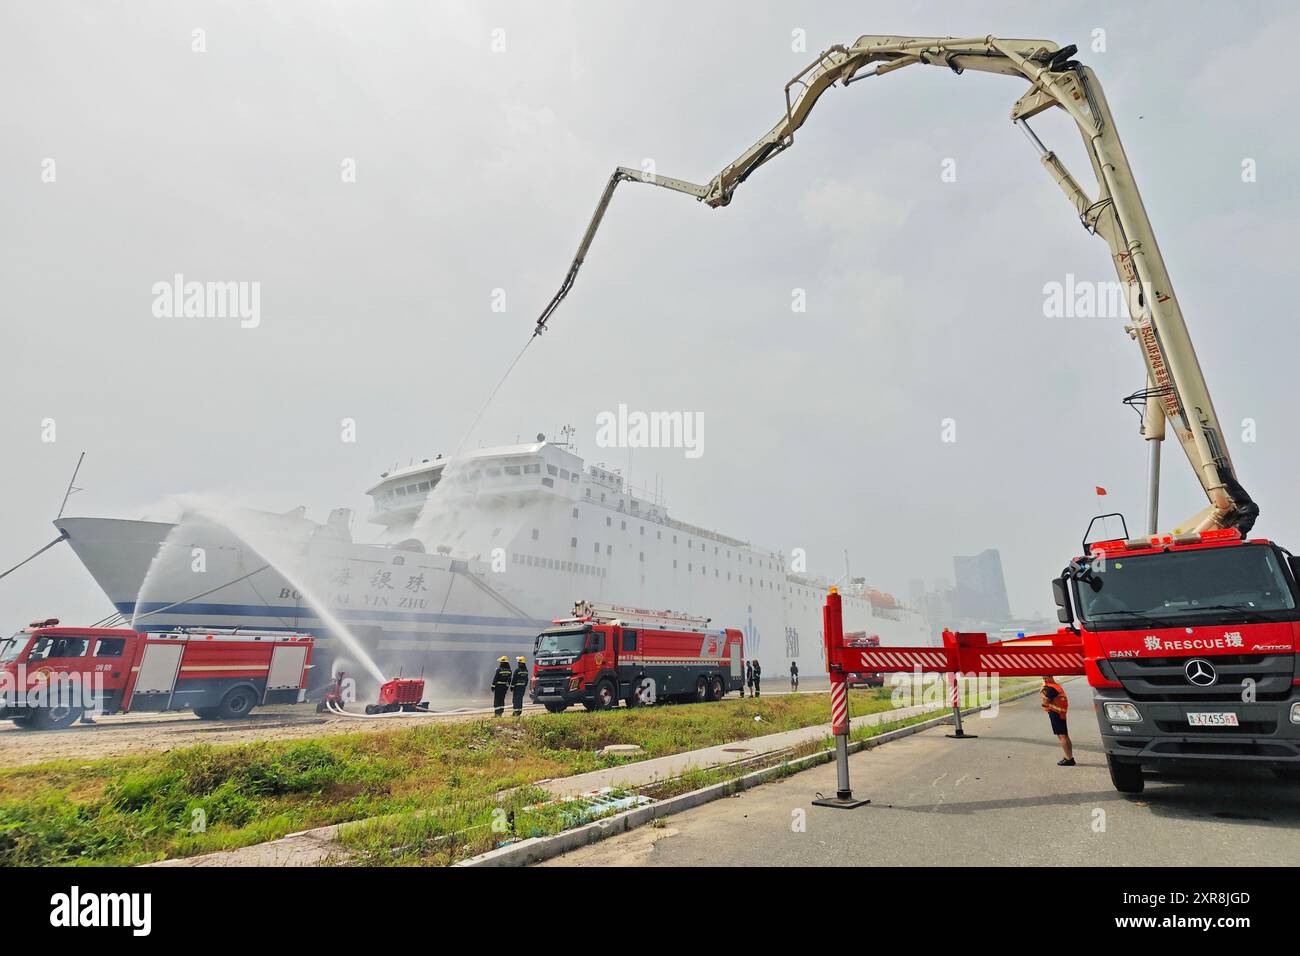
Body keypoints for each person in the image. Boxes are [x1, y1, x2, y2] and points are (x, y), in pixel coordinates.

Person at [1041, 676, 1074, 766]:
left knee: (1061, 736)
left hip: (1056, 713)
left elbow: (1046, 701)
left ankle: (1069, 759)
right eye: (1043, 678)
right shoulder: (1055, 686)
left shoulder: (1052, 688)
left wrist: (1042, 695)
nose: (1044, 680)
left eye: (1045, 678)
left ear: (1050, 677)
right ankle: (1070, 757)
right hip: (1060, 714)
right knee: (1065, 735)